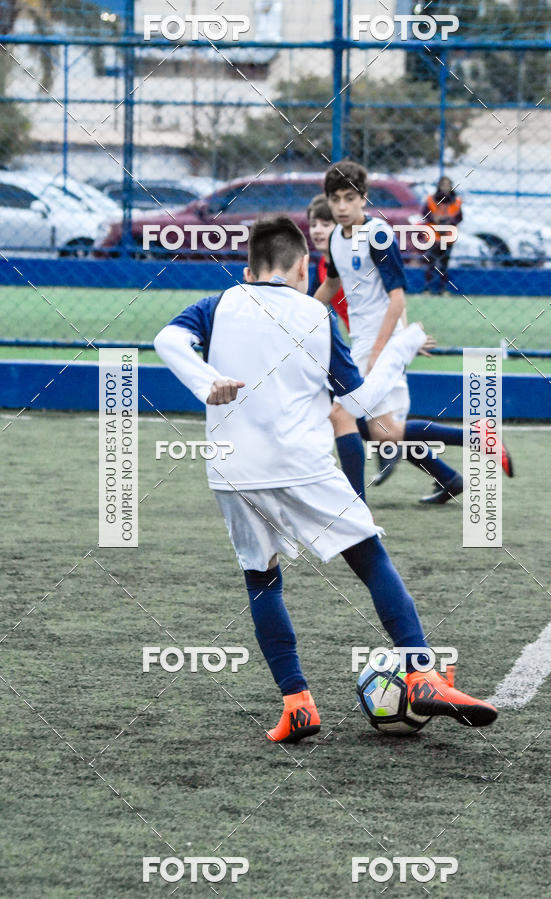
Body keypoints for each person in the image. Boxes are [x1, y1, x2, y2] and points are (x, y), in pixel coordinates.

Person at [154, 216, 498, 743]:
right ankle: (421, 671)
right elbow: (358, 405)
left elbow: (166, 340)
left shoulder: (218, 305)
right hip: (303, 466)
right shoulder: (315, 314)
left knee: (262, 579)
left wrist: (207, 381)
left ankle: (297, 704)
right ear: (299, 268)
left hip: (232, 470)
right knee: (368, 556)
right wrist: (402, 347)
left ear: (249, 268)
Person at [315, 159, 514, 504]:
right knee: (385, 432)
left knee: (340, 414)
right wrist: (296, 314)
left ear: (364, 198)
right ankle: (477, 440)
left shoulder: (377, 235)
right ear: (329, 201)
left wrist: (382, 351)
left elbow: (396, 301)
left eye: (350, 197)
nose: (342, 206)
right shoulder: (335, 238)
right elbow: (331, 284)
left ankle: (354, 508)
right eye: (336, 199)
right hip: (366, 341)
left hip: (380, 342)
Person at [307, 194, 349, 331]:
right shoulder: (322, 264)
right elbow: (311, 306)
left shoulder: (354, 260)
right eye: (313, 225)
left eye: (325, 225)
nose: (317, 230)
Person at [422, 176, 462, 294]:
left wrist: (449, 221)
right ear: (439, 186)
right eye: (443, 185)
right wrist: (435, 219)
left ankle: (442, 289)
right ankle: (428, 288)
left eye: (448, 185)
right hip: (433, 236)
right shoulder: (431, 199)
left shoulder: (456, 200)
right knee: (430, 263)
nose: (445, 187)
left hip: (448, 237)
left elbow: (459, 217)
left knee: (444, 264)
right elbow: (425, 214)